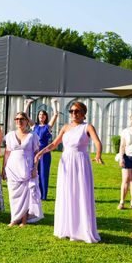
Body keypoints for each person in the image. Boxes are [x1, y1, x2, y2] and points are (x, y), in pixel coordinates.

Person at [35, 101, 103, 243]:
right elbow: (54, 144)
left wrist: (98, 155)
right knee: (67, 193)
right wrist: (41, 152)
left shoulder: (87, 127)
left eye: (77, 111)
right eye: (71, 111)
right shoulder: (65, 127)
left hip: (80, 162)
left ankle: (81, 229)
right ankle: (67, 227)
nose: (74, 114)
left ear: (83, 113)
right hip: (66, 162)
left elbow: (97, 142)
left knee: (80, 193)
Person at [2, 111, 44, 227]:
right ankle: (14, 218)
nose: (19, 121)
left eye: (22, 119)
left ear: (27, 121)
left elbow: (37, 154)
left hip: (27, 168)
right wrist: (3, 169)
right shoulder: (10, 135)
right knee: (13, 194)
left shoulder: (32, 136)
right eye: (17, 119)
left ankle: (24, 220)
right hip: (12, 168)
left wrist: (35, 168)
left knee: (26, 194)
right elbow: (6, 153)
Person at [24, 98, 59, 200]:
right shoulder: (34, 126)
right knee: (33, 173)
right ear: (38, 116)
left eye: (43, 115)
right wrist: (28, 104)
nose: (41, 117)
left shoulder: (48, 127)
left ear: (45, 117)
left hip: (45, 153)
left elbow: (56, 114)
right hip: (34, 152)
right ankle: (34, 193)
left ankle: (43, 196)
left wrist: (53, 103)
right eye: (40, 115)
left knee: (44, 174)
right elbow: (25, 116)